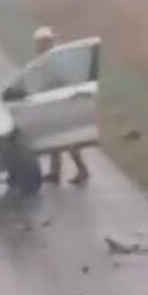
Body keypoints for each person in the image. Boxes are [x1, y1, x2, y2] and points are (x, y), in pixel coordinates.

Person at [32, 26, 90, 186]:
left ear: (47, 42)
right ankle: (55, 171)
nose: (37, 46)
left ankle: (82, 169)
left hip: (63, 103)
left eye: (40, 43)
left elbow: (61, 80)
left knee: (68, 139)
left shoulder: (57, 58)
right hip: (53, 102)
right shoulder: (47, 57)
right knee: (55, 138)